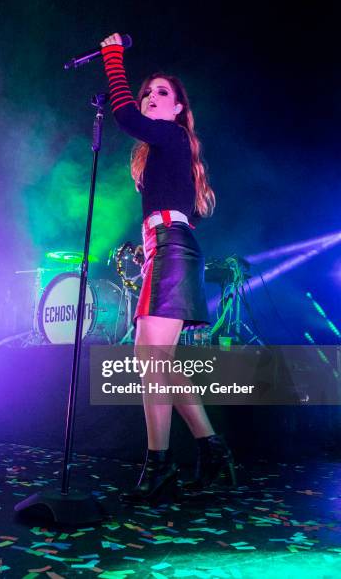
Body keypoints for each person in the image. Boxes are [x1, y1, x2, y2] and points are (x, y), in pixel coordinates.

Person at [100, 33, 236, 503]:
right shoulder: (167, 151)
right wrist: (150, 246)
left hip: (172, 248)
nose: (150, 97)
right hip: (168, 246)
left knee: (150, 361)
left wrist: (112, 57)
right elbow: (178, 212)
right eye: (147, 91)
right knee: (158, 363)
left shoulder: (172, 135)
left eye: (162, 92)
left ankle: (160, 467)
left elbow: (122, 114)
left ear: (178, 109)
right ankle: (211, 451)